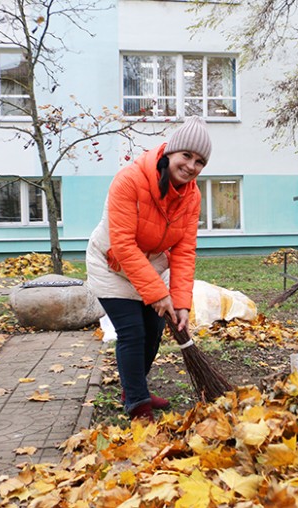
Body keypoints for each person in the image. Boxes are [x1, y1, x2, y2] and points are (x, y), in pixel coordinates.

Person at [86, 116, 211, 421]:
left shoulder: (192, 195)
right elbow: (124, 246)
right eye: (186, 156)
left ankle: (135, 387)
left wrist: (180, 302)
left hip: (153, 264)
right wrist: (157, 294)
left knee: (154, 331)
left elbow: (184, 250)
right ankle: (138, 406)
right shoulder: (129, 180)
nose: (191, 166)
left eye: (200, 161)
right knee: (133, 332)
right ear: (170, 152)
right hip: (111, 264)